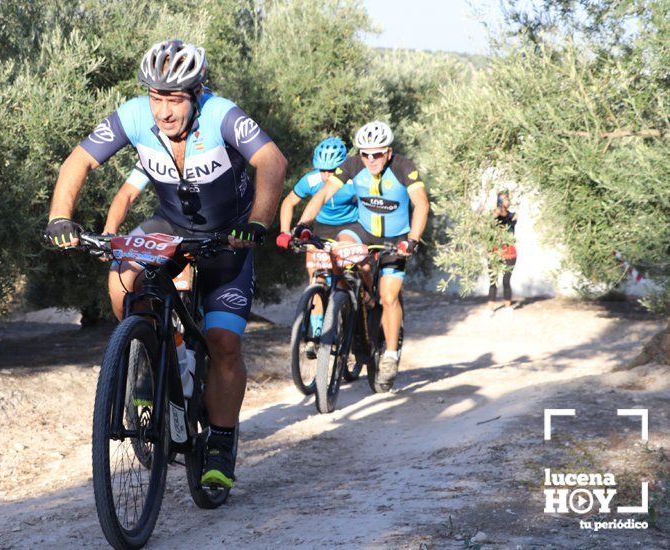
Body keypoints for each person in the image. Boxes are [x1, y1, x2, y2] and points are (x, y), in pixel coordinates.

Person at [45, 39, 287, 489]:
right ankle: (148, 352)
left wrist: (258, 222)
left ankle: (219, 440)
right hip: (169, 224)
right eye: (157, 97)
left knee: (223, 343)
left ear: (197, 94)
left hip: (228, 235)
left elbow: (272, 161)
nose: (163, 111)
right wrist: (60, 216)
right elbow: (77, 161)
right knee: (122, 280)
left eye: (174, 99)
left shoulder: (222, 114)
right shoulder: (134, 114)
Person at [295, 121, 429, 391]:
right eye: (365, 153)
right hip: (363, 231)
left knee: (389, 296)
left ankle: (390, 354)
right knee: (340, 248)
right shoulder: (353, 165)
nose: (370, 159)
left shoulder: (404, 167)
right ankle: (349, 302)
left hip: (396, 238)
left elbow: (422, 205)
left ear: (388, 153)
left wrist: (412, 240)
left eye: (377, 154)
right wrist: (304, 224)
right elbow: (323, 194)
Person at [275, 137, 354, 357]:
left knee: (346, 275)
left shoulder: (353, 182)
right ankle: (316, 332)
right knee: (317, 276)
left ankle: (351, 313)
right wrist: (284, 231)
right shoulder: (311, 180)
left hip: (350, 228)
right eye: (322, 170)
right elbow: (289, 202)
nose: (327, 175)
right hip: (321, 229)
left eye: (332, 170)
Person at [489, 192, 517, 310]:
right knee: (493, 281)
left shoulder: (513, 215)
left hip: (509, 251)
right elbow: (491, 221)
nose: (508, 201)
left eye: (508, 199)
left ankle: (507, 307)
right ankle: (490, 308)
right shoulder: (493, 214)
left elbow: (506, 217)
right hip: (495, 251)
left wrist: (500, 210)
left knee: (506, 280)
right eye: (505, 199)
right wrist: (496, 211)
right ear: (499, 201)